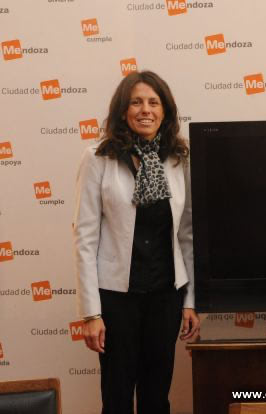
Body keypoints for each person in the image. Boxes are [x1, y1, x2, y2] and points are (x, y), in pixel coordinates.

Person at [72, 70, 199, 414]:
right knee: (116, 397)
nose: (146, 110)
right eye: (136, 102)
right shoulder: (98, 157)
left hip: (166, 296)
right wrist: (91, 313)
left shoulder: (179, 158)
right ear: (123, 110)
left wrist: (189, 302)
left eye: (154, 102)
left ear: (165, 111)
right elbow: (85, 238)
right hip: (116, 299)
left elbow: (186, 235)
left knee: (157, 398)